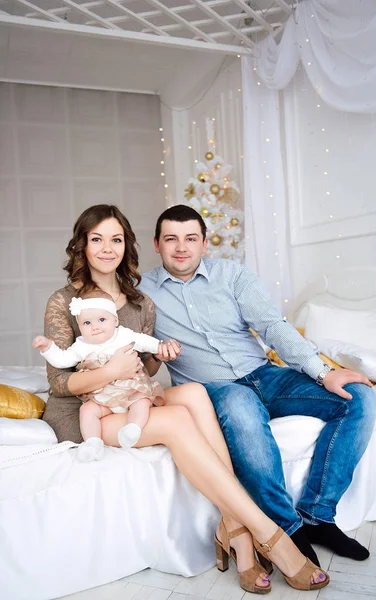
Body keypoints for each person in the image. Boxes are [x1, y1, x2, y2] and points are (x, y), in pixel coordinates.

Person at [41, 203, 329, 594]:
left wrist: (158, 356)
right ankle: (260, 537)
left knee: (193, 393)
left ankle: (231, 528)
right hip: (85, 407)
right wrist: (109, 372)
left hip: (129, 397)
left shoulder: (140, 301)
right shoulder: (65, 302)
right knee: (176, 421)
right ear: (82, 245)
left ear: (127, 246)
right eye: (97, 240)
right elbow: (58, 381)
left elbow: (146, 371)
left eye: (116, 239)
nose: (107, 248)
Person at [140, 204, 376, 566]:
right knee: (241, 408)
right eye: (171, 239)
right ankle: (287, 528)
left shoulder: (232, 275)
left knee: (358, 397)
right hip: (213, 388)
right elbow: (138, 352)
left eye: (190, 238)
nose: (181, 247)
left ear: (204, 243)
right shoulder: (142, 294)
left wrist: (323, 372)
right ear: (157, 244)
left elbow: (272, 326)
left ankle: (318, 515)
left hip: (266, 374)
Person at [33, 291, 180, 459]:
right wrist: (48, 348)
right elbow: (62, 360)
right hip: (102, 397)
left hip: (130, 391)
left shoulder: (124, 335)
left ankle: (133, 428)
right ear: (80, 326)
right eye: (87, 323)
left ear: (115, 321)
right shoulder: (81, 345)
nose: (95, 327)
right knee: (87, 410)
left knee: (143, 401)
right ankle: (93, 442)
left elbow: (145, 341)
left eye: (102, 320)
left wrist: (161, 346)